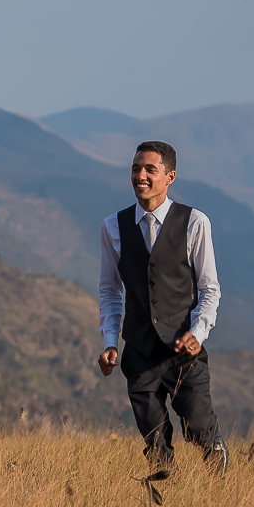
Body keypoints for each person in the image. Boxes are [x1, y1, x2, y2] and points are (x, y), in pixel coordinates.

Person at [97, 140, 228, 473]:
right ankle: (166, 499)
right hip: (139, 350)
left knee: (198, 427)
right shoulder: (113, 227)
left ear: (169, 177)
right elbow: (110, 290)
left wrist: (197, 332)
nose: (140, 176)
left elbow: (209, 289)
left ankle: (215, 457)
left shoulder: (195, 223)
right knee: (154, 441)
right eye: (135, 168)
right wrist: (111, 342)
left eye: (149, 170)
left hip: (183, 349)